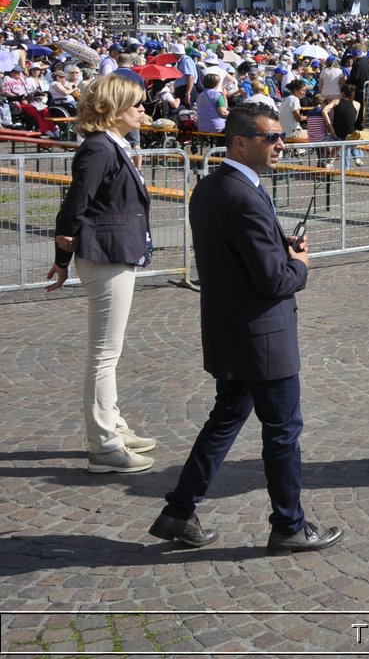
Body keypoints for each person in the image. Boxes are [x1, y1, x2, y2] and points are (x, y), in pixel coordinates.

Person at [149, 104, 342, 553]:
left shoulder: (214, 186)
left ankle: (179, 511)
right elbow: (274, 280)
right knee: (282, 431)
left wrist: (279, 247)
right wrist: (299, 264)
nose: (281, 144)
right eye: (271, 137)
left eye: (280, 136)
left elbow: (240, 256)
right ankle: (289, 526)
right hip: (261, 338)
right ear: (240, 142)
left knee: (224, 421)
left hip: (230, 329)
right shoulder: (242, 194)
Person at [43, 74, 158, 474]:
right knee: (103, 355)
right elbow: (74, 207)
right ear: (113, 110)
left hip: (115, 251)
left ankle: (114, 426)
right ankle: (104, 445)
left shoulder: (113, 146)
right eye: (137, 104)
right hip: (104, 254)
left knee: (109, 352)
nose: (144, 110)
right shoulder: (99, 149)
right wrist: (60, 258)